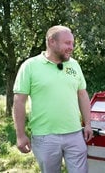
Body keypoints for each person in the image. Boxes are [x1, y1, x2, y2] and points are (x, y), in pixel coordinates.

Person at [12, 25, 93, 173]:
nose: (72, 47)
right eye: (67, 43)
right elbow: (19, 101)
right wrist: (20, 135)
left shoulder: (74, 65)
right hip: (45, 137)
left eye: (72, 43)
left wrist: (87, 123)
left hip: (75, 134)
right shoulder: (30, 66)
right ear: (51, 42)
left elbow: (82, 94)